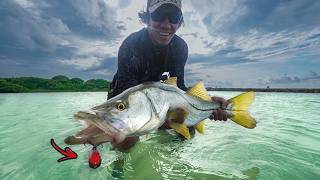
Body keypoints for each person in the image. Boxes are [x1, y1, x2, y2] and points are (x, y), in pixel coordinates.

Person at [107, 0, 228, 151]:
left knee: (187, 132)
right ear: (148, 17)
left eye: (174, 16)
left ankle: (169, 162)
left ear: (180, 21)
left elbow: (179, 88)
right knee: (126, 138)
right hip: (126, 99)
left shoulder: (180, 47)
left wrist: (207, 102)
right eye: (159, 15)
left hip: (160, 97)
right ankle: (118, 169)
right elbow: (129, 96)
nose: (166, 24)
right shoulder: (131, 44)